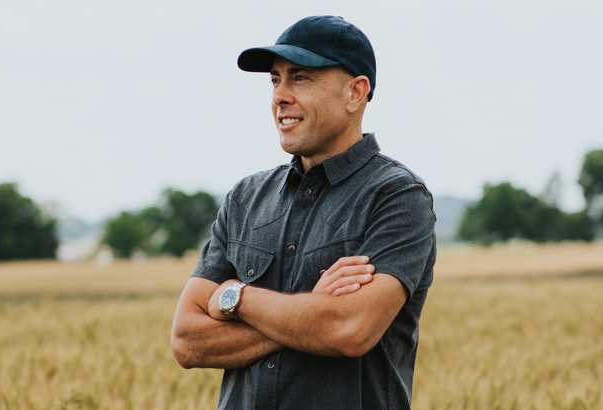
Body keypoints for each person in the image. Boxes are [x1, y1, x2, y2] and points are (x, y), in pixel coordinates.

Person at [171, 15, 436, 410]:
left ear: (355, 93)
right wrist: (313, 313)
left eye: (300, 78)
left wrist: (234, 297)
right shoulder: (246, 198)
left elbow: (349, 329)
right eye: (275, 79)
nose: (280, 95)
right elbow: (187, 341)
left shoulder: (397, 196)